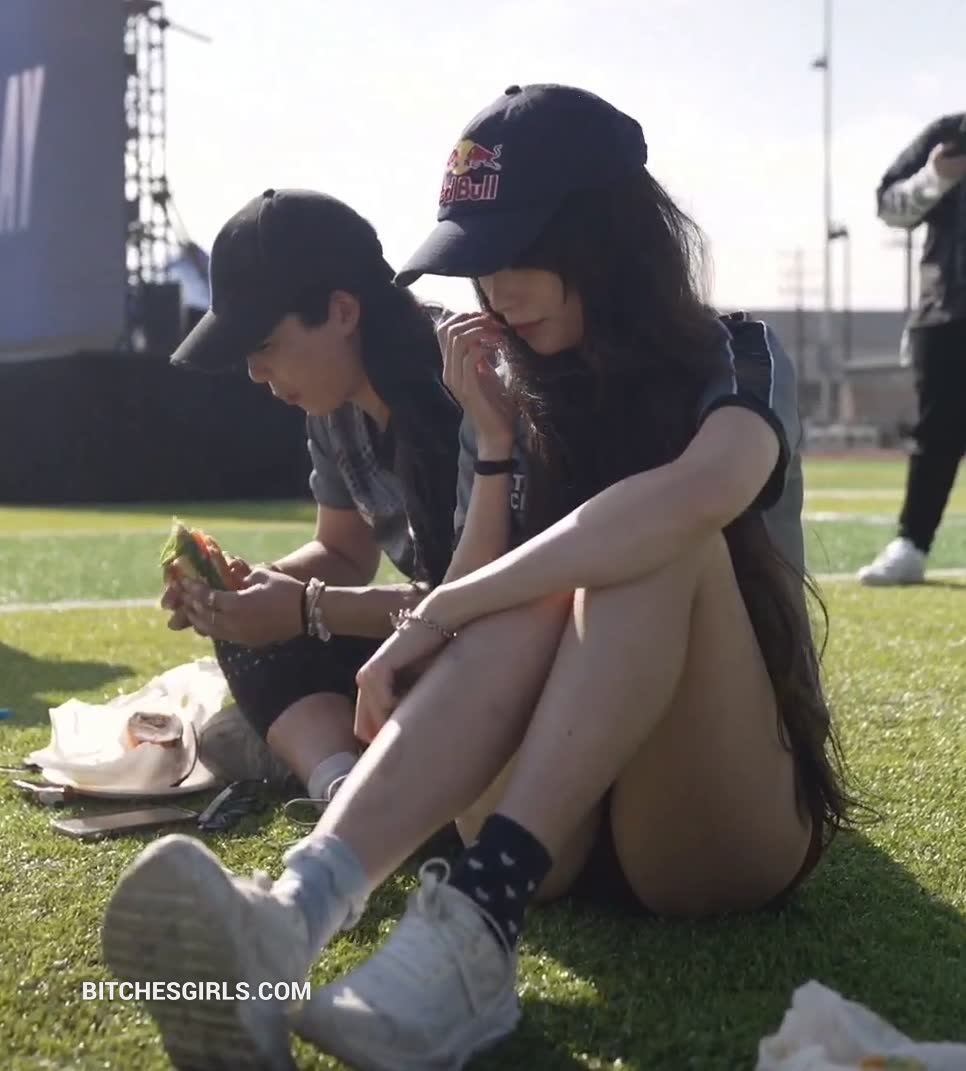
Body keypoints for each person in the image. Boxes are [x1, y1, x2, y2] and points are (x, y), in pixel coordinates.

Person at [102, 87, 852, 1071]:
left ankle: (473, 928)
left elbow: (702, 492)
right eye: (478, 264)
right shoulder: (501, 389)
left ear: (604, 234)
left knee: (654, 537)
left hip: (713, 826)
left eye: (515, 253)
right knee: (530, 578)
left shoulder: (736, 351)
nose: (494, 291)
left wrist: (435, 611)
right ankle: (289, 919)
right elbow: (483, 591)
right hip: (555, 834)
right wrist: (494, 446)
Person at [163, 188, 462, 807]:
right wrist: (247, 590)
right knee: (248, 631)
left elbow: (478, 603)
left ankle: (376, 787)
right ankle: (344, 788)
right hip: (430, 637)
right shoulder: (333, 404)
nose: (254, 372)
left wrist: (305, 608)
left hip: (495, 643)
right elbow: (343, 551)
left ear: (342, 311)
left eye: (263, 345)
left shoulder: (462, 384)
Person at [858, 112, 966, 585]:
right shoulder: (951, 134)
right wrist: (936, 177)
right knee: (937, 435)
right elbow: (888, 206)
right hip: (949, 311)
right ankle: (912, 543)